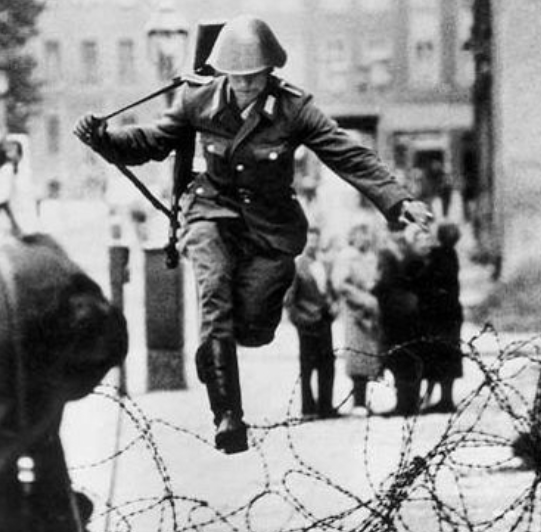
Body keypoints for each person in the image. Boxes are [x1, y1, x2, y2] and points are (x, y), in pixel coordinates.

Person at [73, 15, 431, 453]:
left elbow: (348, 154)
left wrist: (398, 199)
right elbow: (152, 141)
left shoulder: (294, 108)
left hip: (270, 228)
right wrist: (104, 138)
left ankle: (218, 350)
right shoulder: (197, 99)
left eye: (253, 76)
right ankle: (228, 416)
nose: (244, 85)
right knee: (214, 294)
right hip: (211, 212)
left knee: (255, 328)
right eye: (236, 76)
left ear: (270, 71)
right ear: (222, 71)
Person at [0, 234, 128, 532]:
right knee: (38, 438)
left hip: (32, 329)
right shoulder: (41, 258)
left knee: (29, 440)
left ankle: (50, 512)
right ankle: (55, 511)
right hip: (51, 316)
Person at [374, 225, 433, 417]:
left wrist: (376, 290)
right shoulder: (405, 257)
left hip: (399, 316)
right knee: (405, 361)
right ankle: (408, 403)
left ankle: (406, 404)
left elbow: (386, 283)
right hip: (403, 315)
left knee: (403, 361)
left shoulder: (393, 257)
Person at [284, 226, 338, 419]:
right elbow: (289, 300)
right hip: (307, 323)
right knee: (307, 366)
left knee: (327, 365)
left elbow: (329, 290)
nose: (313, 244)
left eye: (316, 240)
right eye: (310, 240)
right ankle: (308, 408)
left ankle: (326, 406)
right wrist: (300, 321)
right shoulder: (297, 266)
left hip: (324, 320)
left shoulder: (322, 264)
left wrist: (333, 306)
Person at [331, 223, 381, 416]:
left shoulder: (369, 257)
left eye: (367, 235)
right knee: (357, 354)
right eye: (361, 235)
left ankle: (364, 400)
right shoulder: (346, 256)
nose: (365, 239)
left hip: (371, 311)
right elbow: (340, 283)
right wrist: (362, 298)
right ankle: (358, 401)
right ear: (353, 237)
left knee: (368, 355)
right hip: (355, 311)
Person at [418, 222, 463, 414]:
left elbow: (424, 280)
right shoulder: (452, 255)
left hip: (437, 314)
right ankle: (446, 398)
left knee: (435, 355)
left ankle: (433, 397)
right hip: (452, 313)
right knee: (449, 355)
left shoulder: (436, 256)